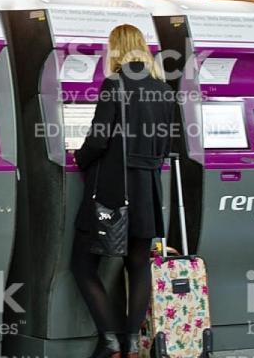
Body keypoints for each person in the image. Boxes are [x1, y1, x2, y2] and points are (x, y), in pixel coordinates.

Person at [71, 24, 178, 358]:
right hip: (147, 190)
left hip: (112, 192)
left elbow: (98, 139)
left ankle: (109, 339)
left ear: (116, 49)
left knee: (83, 266)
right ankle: (132, 342)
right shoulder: (163, 90)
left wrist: (78, 156)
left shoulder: (113, 85)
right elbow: (168, 145)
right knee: (138, 265)